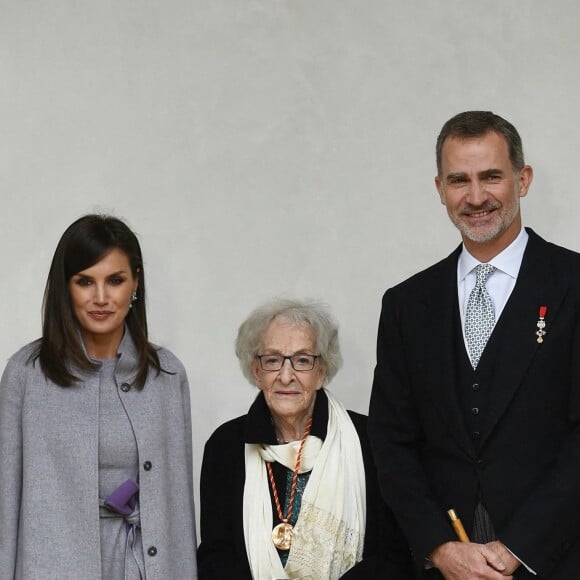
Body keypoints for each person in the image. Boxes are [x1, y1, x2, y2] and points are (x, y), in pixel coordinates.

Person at [368, 111, 580, 579]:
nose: (476, 196)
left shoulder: (573, 285)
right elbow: (392, 442)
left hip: (557, 559)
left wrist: (518, 548)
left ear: (522, 180)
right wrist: (440, 547)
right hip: (445, 566)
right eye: (459, 180)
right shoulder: (407, 304)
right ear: (440, 189)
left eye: (491, 177)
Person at [0, 215, 198, 579]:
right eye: (85, 282)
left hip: (143, 567)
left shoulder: (166, 376)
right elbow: (5, 501)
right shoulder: (26, 374)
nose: (102, 298)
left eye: (116, 281)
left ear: (135, 283)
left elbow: (178, 507)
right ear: (66, 287)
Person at [197, 298, 413, 579]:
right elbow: (217, 556)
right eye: (272, 360)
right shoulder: (225, 446)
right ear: (257, 371)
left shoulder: (369, 440)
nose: (286, 376)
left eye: (302, 361)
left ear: (321, 371)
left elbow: (394, 554)